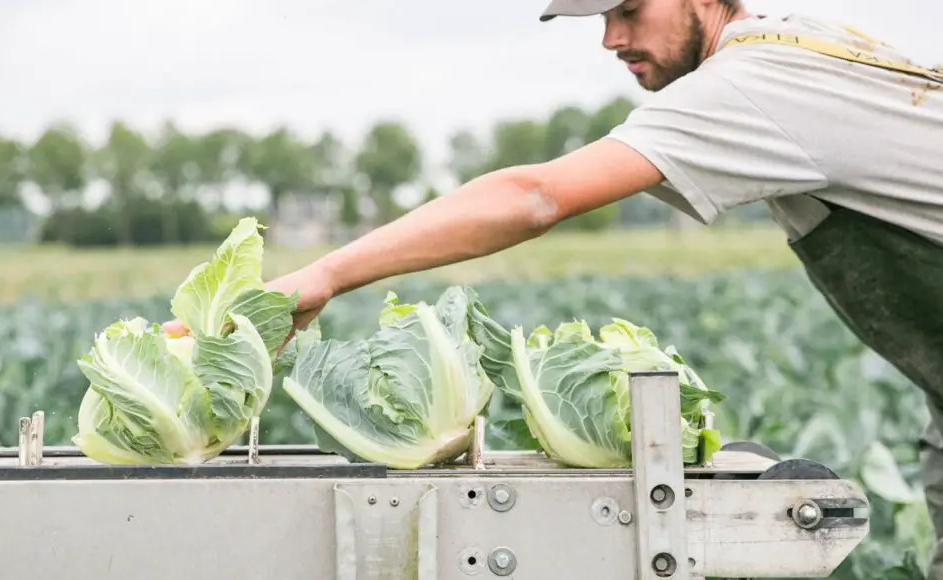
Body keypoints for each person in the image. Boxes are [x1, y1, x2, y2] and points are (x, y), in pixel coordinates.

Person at [165, 0, 943, 571]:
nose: (610, 38)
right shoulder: (804, 46)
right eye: (598, 19)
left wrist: (322, 277)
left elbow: (534, 197)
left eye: (629, 10)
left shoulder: (758, 84)